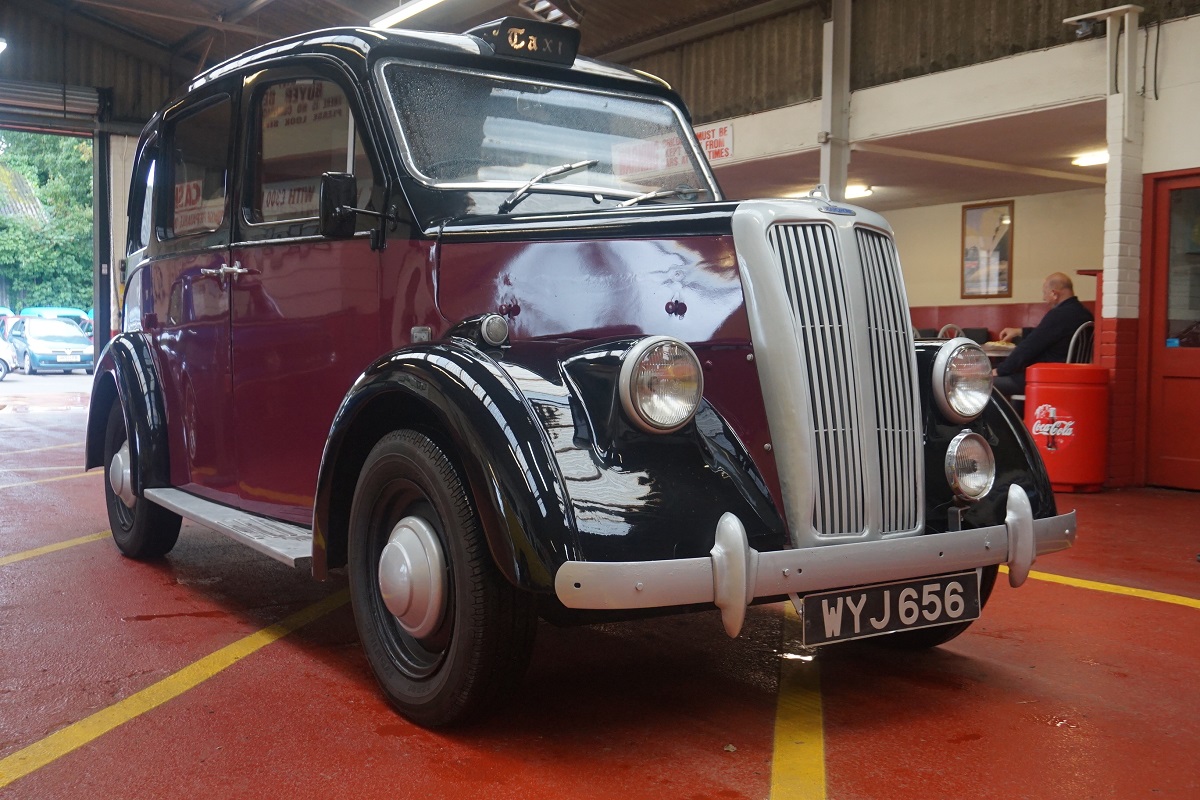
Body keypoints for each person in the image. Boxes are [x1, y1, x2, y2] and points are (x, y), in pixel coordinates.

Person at [992, 272, 1093, 397]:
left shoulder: (1058, 315)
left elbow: (1028, 348)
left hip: (1048, 378)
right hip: (1074, 376)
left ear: (1054, 294)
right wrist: (1020, 331)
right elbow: (1047, 335)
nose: (1044, 298)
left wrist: (1000, 370)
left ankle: (1005, 417)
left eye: (1045, 293)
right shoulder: (1084, 314)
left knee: (985, 384)